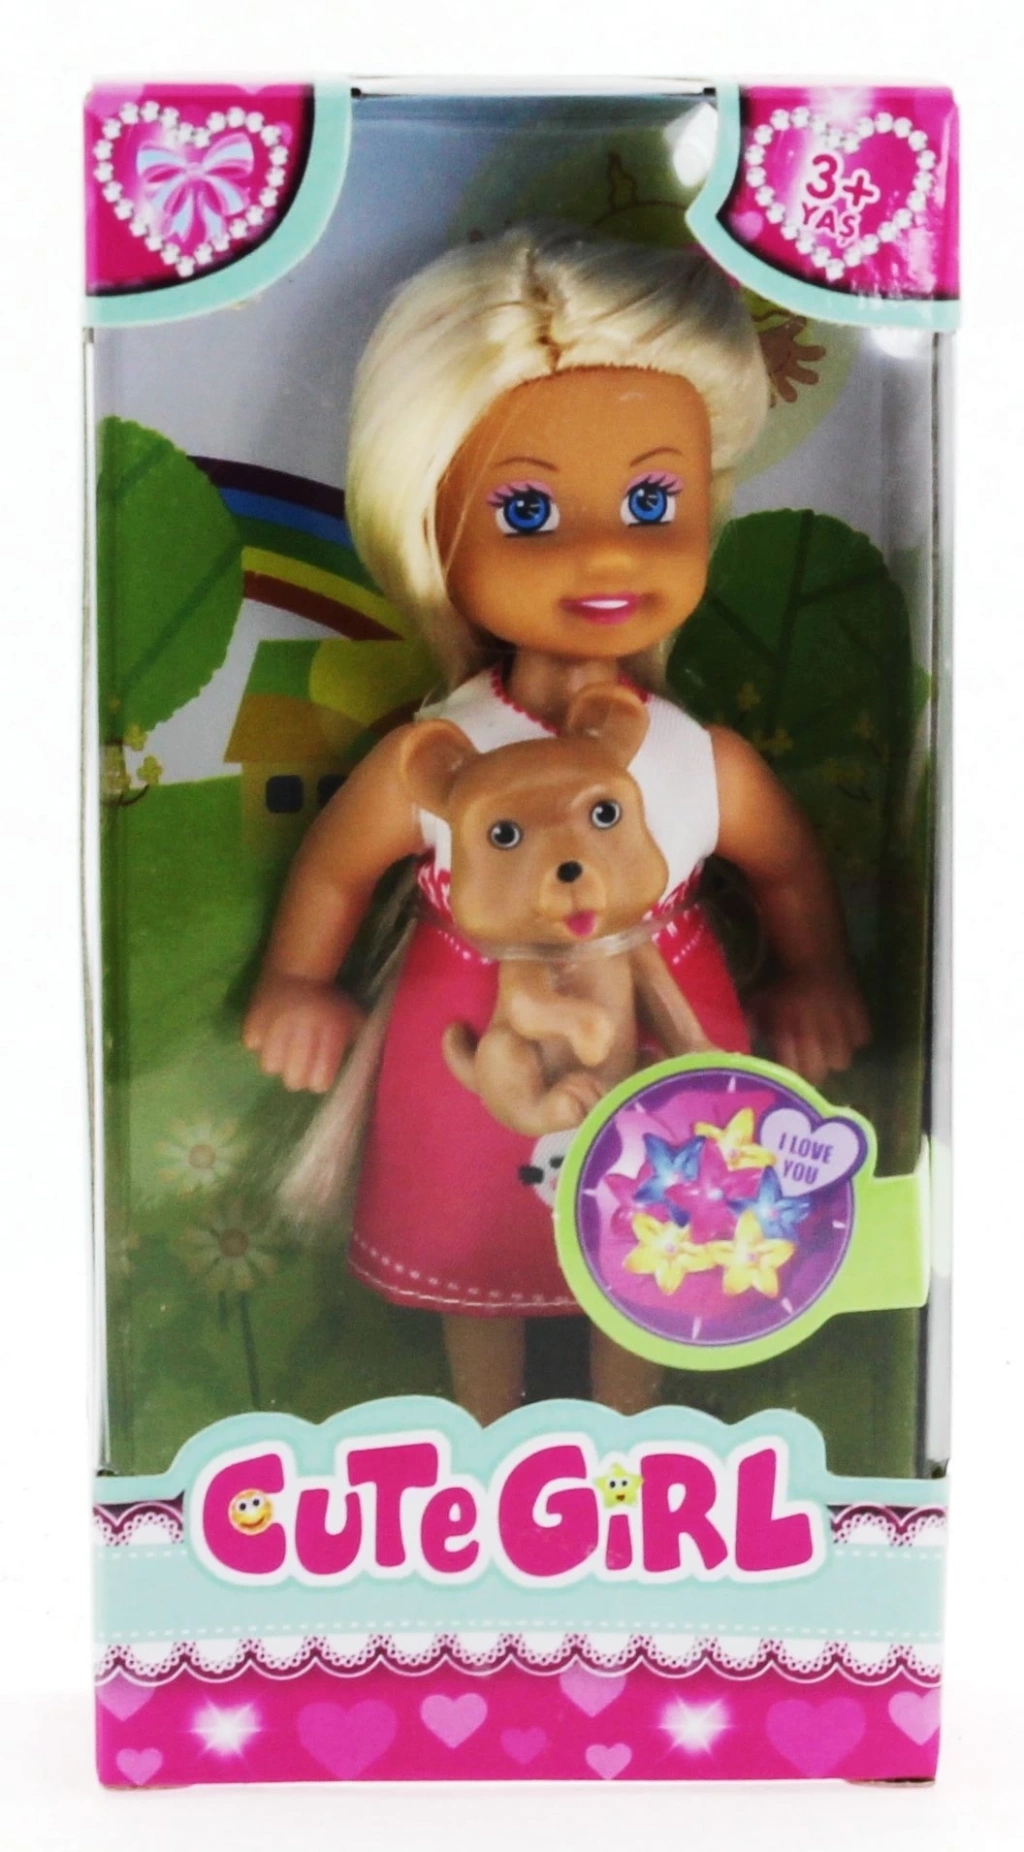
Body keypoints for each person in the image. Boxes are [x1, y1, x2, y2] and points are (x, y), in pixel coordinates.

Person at [243, 226, 869, 1423]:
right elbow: (335, 871)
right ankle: (482, 1438)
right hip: (465, 1021)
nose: (604, 550)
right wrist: (298, 981)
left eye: (652, 500)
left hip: (665, 1021)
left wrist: (815, 974)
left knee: (668, 1232)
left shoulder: (690, 757)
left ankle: (631, 1439)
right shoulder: (440, 750)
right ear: (433, 517)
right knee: (475, 1240)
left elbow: (787, 870)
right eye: (526, 508)